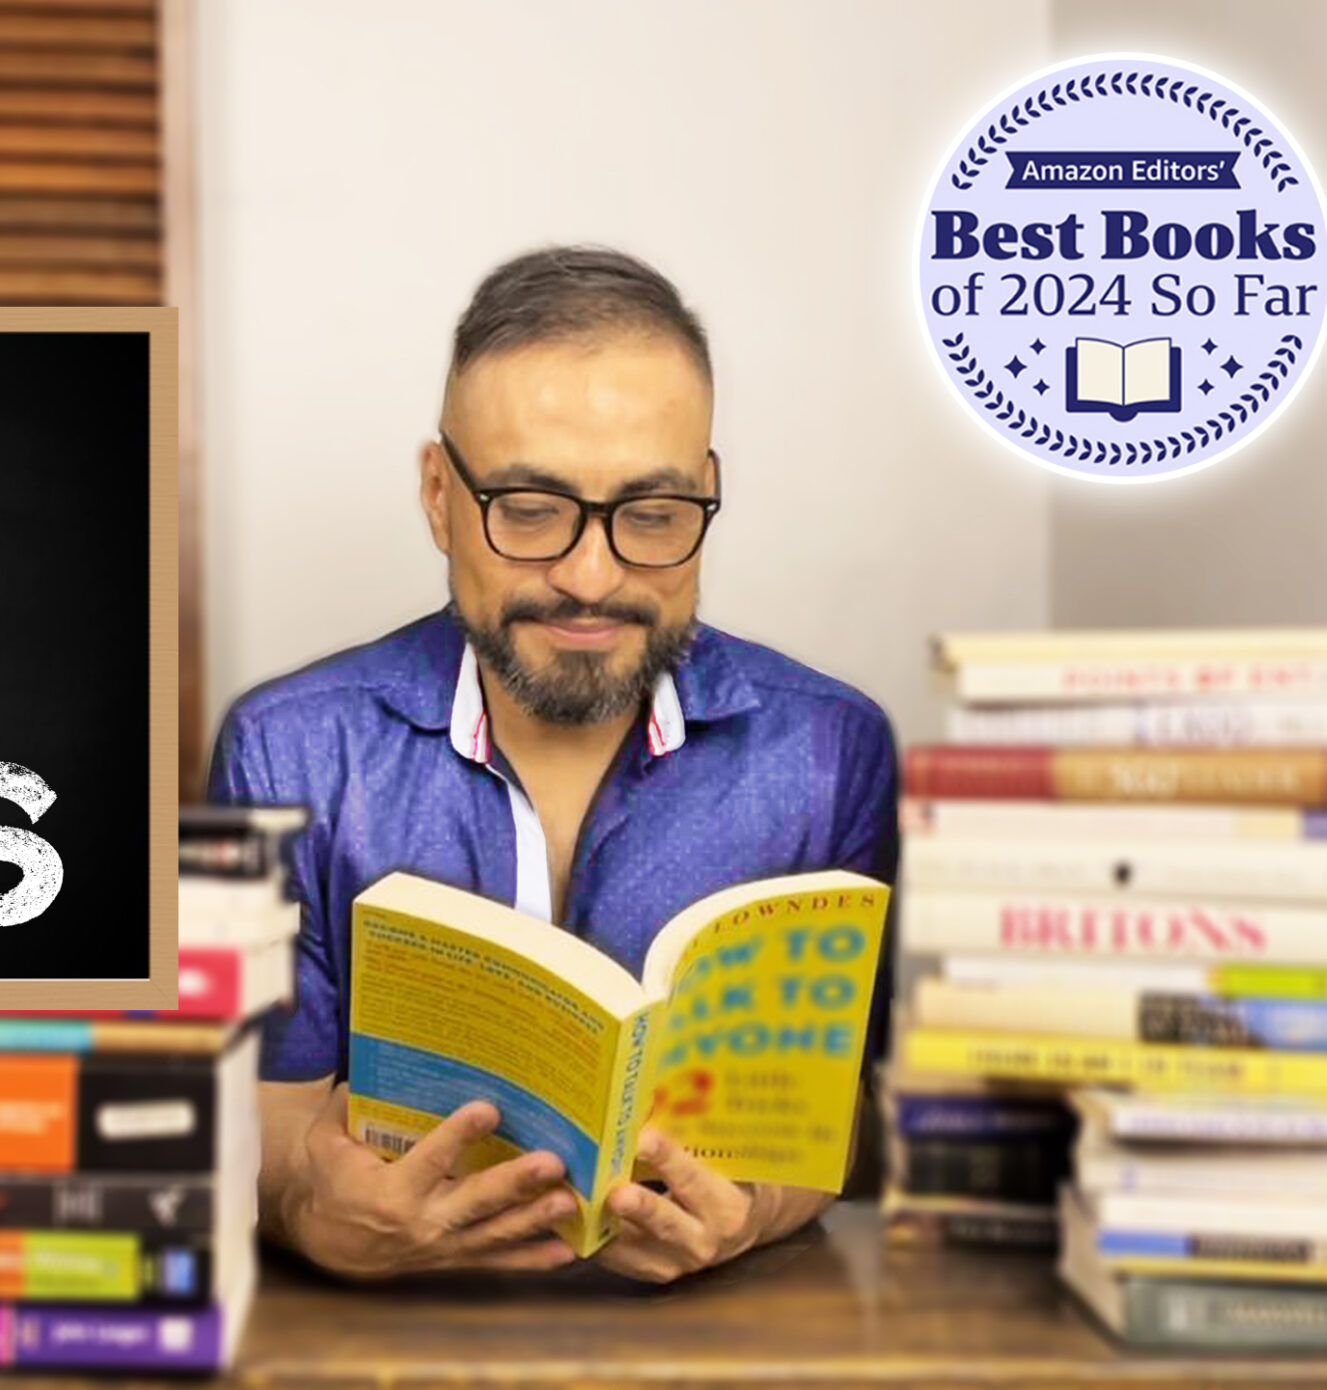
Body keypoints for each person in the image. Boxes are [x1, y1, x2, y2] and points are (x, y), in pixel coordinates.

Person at [208, 245, 900, 1284]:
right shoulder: (290, 749)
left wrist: (752, 1210)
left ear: (707, 495)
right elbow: (265, 1120)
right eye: (529, 510)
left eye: (652, 516)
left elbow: (848, 1111)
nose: (590, 575)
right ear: (440, 495)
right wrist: (310, 1206)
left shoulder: (830, 750)